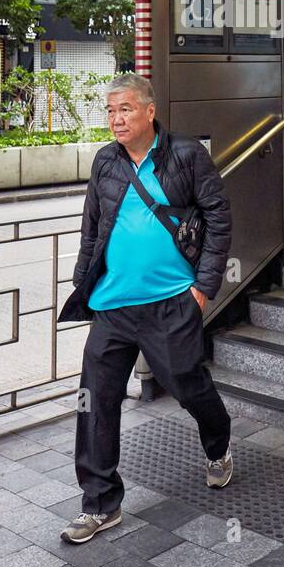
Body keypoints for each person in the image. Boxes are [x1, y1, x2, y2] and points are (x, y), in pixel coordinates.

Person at [57, 74, 233, 543]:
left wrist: (204, 287)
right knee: (95, 400)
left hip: (171, 301)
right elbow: (92, 224)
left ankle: (218, 444)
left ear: (149, 112)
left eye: (125, 110)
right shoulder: (105, 162)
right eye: (111, 110)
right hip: (113, 305)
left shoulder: (185, 155)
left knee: (188, 384)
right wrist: (83, 282)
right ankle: (99, 504)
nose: (116, 119)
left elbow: (218, 214)